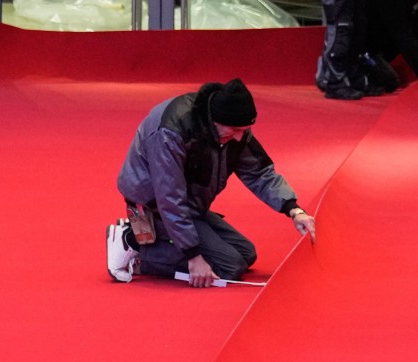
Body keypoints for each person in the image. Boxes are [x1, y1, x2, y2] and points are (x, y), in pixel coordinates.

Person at [107, 78, 318, 287]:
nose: (239, 138)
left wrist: (294, 210)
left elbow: (259, 173)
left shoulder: (234, 129)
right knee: (230, 267)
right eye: (235, 130)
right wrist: (193, 256)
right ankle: (134, 243)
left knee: (246, 254)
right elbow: (169, 197)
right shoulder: (171, 132)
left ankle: (152, 242)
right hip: (153, 206)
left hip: (190, 204)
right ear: (215, 121)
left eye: (243, 130)